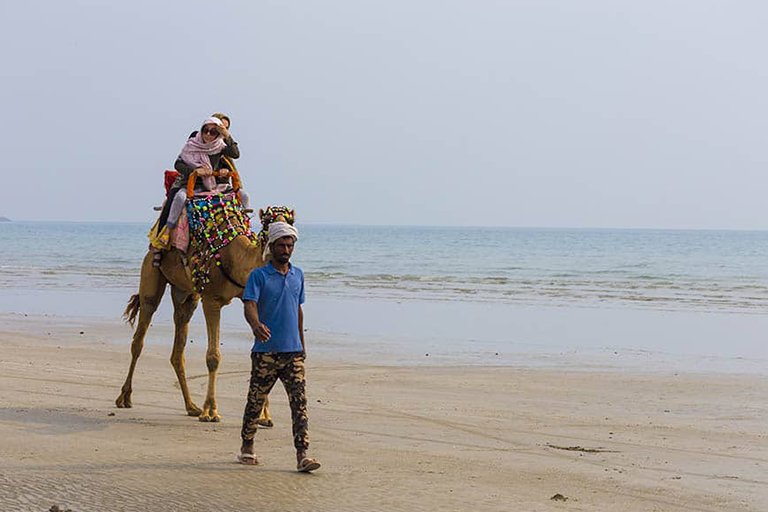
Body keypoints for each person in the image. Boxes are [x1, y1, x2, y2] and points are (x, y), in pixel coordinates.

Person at [238, 222, 321, 473]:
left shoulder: (298, 275)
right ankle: (247, 447)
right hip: (266, 352)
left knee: (299, 403)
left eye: (290, 245)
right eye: (282, 245)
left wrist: (302, 345)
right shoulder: (258, 276)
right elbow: (249, 304)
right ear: (271, 247)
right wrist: (255, 325)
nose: (286, 249)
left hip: (293, 352)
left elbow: (297, 309)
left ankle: (302, 455)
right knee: (256, 401)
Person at [149, 116, 246, 266]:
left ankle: (243, 230)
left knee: (243, 196)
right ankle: (165, 233)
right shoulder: (194, 142)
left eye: (214, 132)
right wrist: (196, 171)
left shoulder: (220, 146)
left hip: (213, 185)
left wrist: (226, 137)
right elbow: (178, 163)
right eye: (206, 130)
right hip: (189, 183)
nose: (208, 134)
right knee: (178, 198)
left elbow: (235, 153)